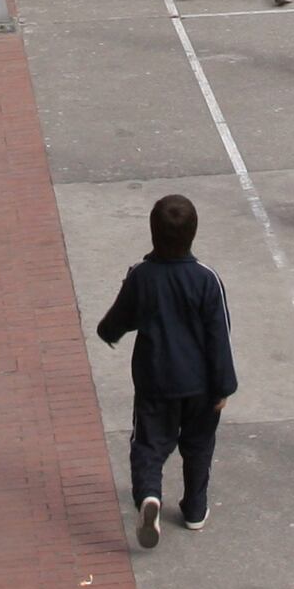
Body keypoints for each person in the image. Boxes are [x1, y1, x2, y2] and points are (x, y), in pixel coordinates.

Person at [97, 192, 237, 547]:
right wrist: (223, 387)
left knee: (148, 442)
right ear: (193, 233)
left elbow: (119, 319)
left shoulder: (141, 276)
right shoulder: (207, 279)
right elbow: (219, 336)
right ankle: (194, 508)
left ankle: (148, 495)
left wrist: (108, 331)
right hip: (201, 385)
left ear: (152, 233)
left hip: (155, 379)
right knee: (198, 444)